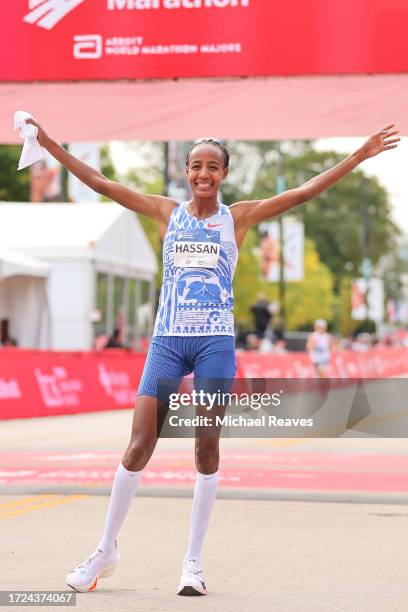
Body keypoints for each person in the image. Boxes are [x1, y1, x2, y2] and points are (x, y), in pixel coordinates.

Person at [25, 117, 399, 596]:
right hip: (167, 341)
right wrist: (50, 142)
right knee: (139, 444)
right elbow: (99, 181)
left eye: (213, 167)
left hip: (214, 344)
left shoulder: (237, 218)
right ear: (186, 171)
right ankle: (105, 550)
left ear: (224, 174)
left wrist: (359, 156)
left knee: (205, 447)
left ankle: (193, 563)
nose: (204, 174)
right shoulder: (165, 213)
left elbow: (304, 192)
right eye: (196, 166)